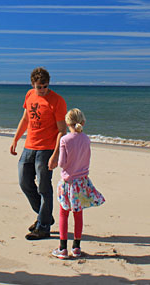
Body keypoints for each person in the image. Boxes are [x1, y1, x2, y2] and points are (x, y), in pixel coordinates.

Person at [9, 67, 67, 240]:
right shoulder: (29, 95)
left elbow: (62, 130)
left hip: (46, 149)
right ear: (32, 84)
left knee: (44, 186)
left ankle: (43, 226)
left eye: (45, 86)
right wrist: (15, 139)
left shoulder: (57, 100)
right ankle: (45, 216)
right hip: (29, 147)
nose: (42, 89)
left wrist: (56, 154)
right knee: (24, 182)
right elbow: (25, 119)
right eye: (39, 86)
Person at [52, 108, 105, 259]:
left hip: (68, 182)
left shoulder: (65, 140)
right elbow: (87, 159)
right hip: (82, 182)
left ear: (67, 122)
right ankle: (76, 247)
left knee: (64, 213)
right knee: (78, 213)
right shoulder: (86, 139)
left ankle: (63, 248)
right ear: (82, 122)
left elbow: (62, 163)